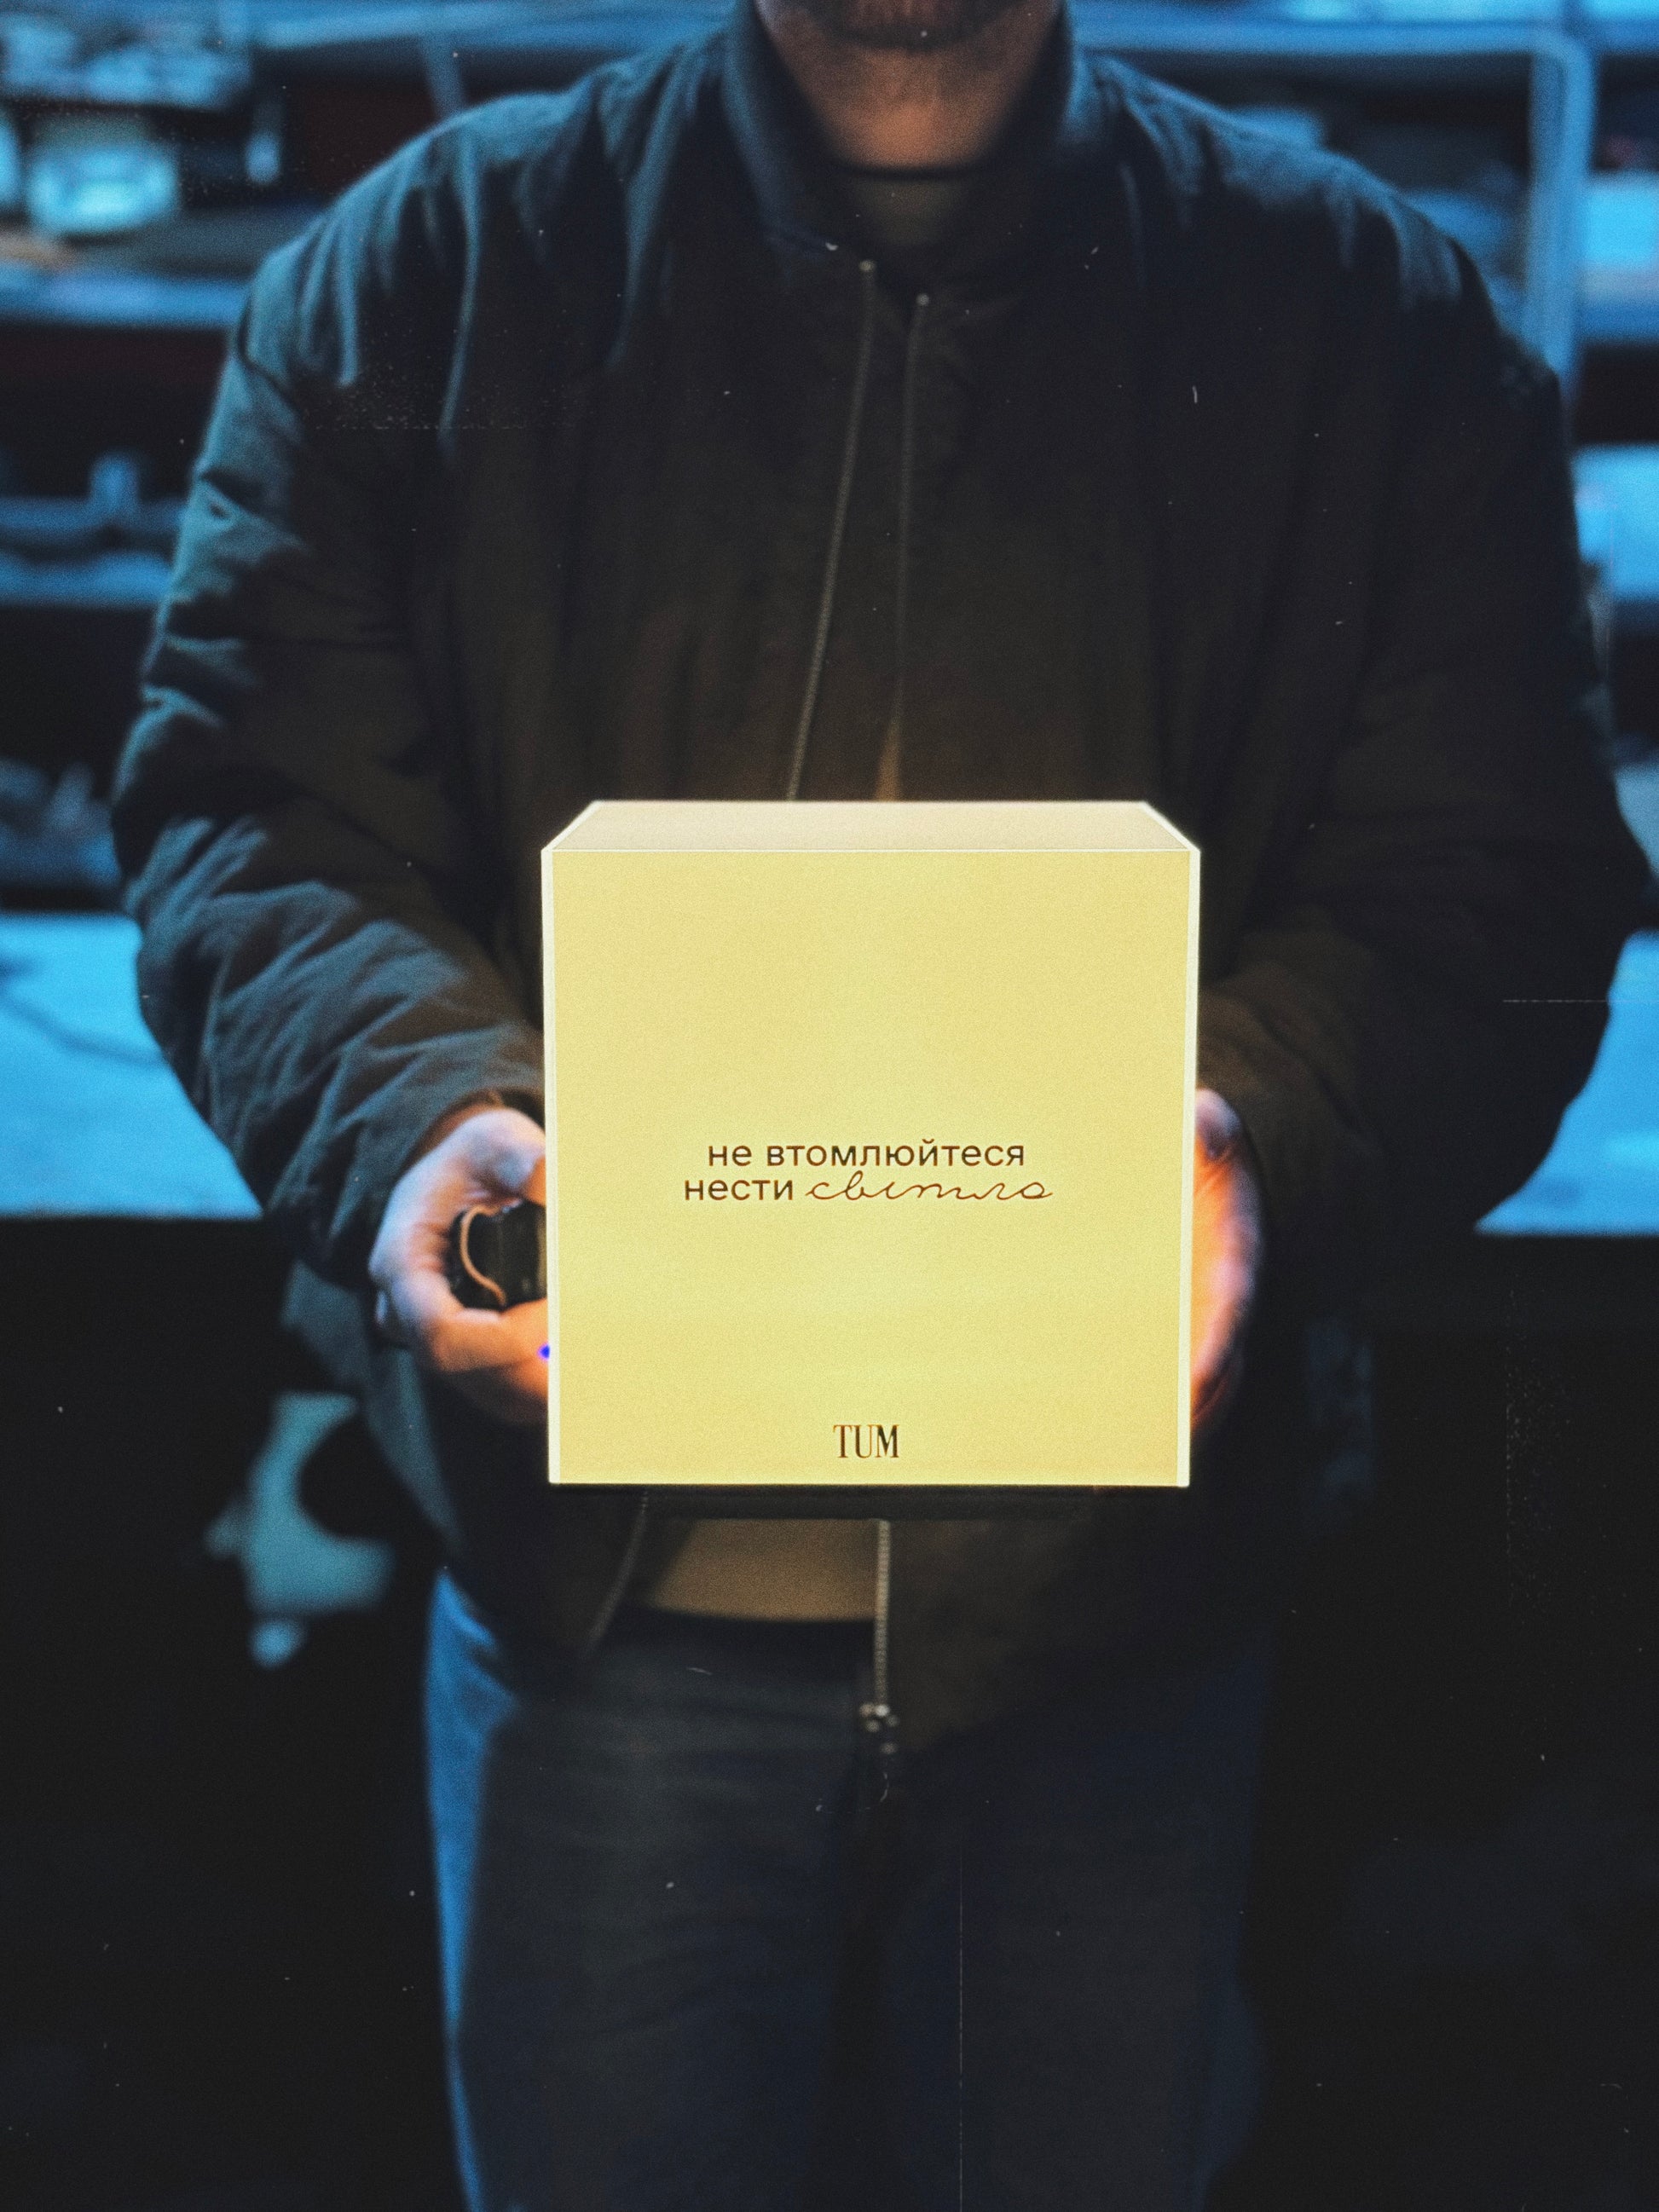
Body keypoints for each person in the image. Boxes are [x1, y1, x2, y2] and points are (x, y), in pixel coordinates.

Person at [113, 0, 1648, 2199]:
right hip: (597, 1626)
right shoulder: (424, 274)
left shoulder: (1367, 317)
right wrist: (412, 1105)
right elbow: (252, 815)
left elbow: (1494, 885)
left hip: (1113, 1636)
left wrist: (1260, 1120)